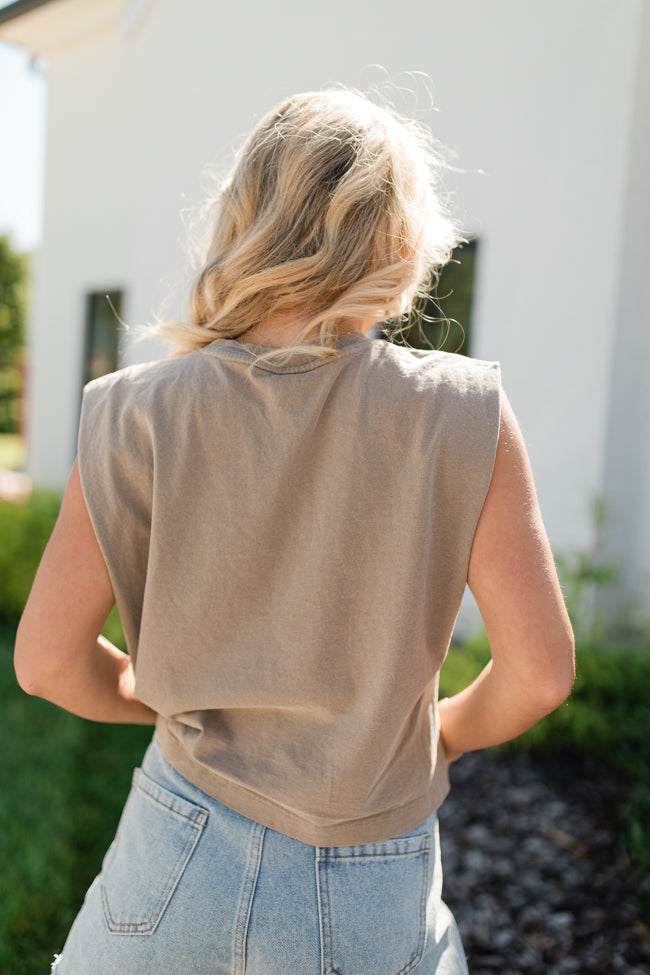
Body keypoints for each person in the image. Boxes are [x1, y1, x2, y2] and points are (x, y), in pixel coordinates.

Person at [15, 88, 575, 975]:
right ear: (400, 244)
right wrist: (445, 733)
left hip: (176, 844)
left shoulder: (136, 409)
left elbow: (45, 662)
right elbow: (540, 672)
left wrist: (153, 698)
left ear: (245, 217)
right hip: (372, 874)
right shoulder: (463, 412)